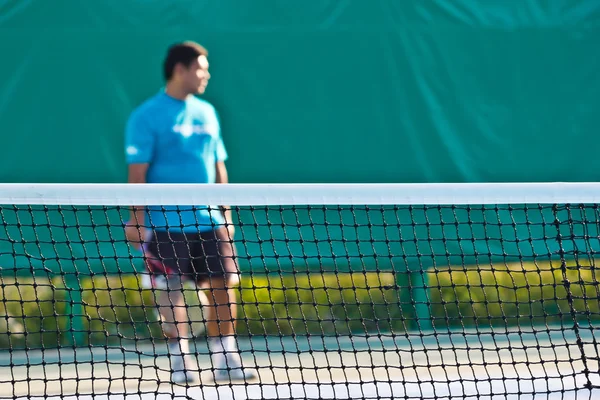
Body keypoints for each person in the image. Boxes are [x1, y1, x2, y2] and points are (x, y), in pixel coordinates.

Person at [123, 41, 256, 384]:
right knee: (169, 290)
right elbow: (137, 173)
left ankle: (226, 358)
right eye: (201, 68)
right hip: (164, 223)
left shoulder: (208, 112)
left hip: (208, 221)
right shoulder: (146, 116)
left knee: (224, 286)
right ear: (180, 70)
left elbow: (218, 164)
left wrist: (225, 213)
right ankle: (180, 360)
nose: (206, 75)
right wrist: (137, 218)